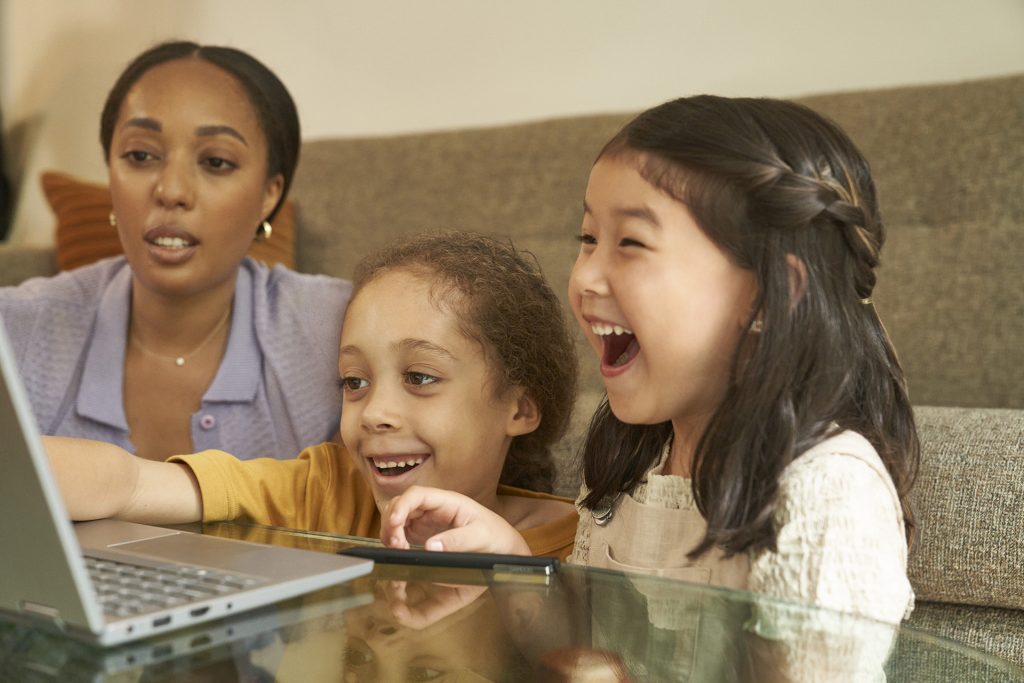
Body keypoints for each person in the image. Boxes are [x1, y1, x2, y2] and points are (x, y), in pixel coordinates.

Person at [380, 96, 920, 627]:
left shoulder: (826, 494)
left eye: (632, 242)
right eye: (588, 238)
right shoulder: (633, 458)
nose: (585, 277)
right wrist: (512, 562)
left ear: (769, 294)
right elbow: (586, 653)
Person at [45, 231, 580, 557]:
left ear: (520, 407)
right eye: (355, 383)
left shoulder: (583, 543)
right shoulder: (328, 492)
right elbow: (132, 481)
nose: (374, 413)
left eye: (420, 378)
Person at [0, 41, 349, 461]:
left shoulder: (340, 329)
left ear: (269, 195)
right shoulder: (17, 333)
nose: (171, 191)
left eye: (216, 162)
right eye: (141, 155)